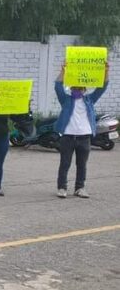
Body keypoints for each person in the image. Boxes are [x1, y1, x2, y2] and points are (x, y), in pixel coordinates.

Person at [54, 63, 110, 198]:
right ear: (72, 87)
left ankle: (80, 188)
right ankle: (62, 188)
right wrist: (63, 71)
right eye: (75, 87)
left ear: (84, 89)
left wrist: (105, 71)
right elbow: (57, 86)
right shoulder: (66, 100)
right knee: (65, 164)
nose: (77, 89)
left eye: (80, 87)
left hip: (84, 138)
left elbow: (102, 87)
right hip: (68, 137)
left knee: (82, 165)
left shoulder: (90, 100)